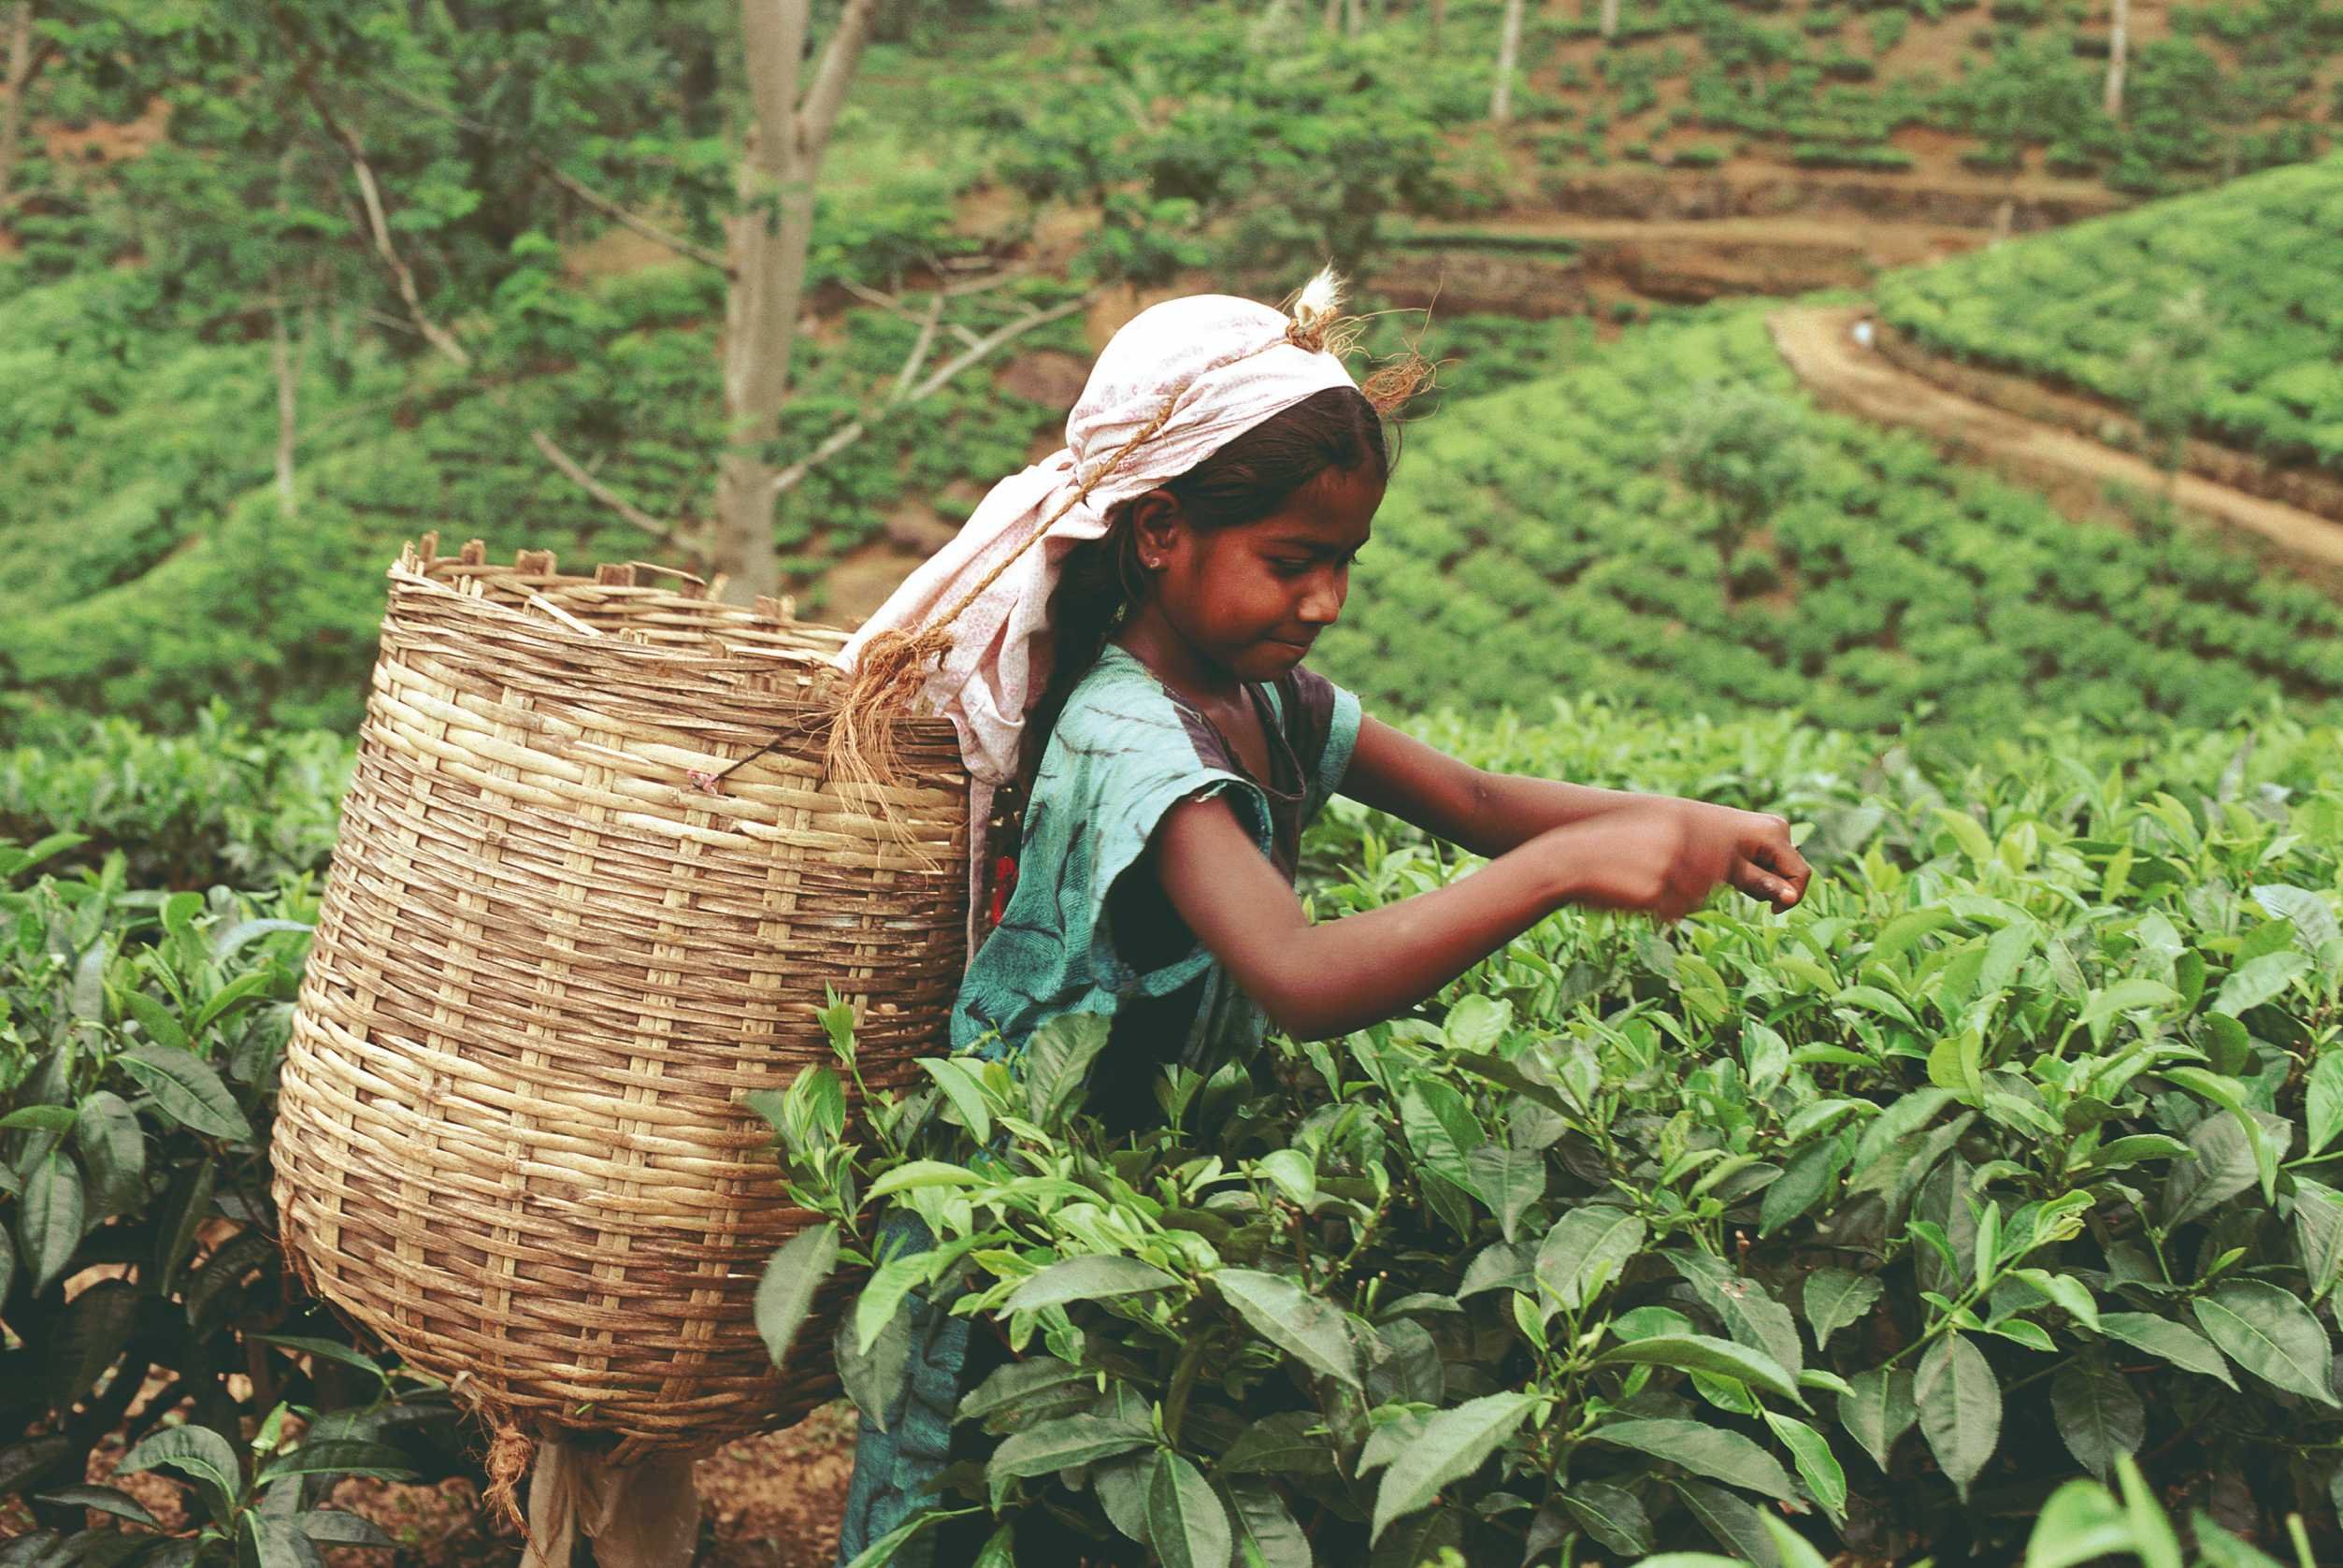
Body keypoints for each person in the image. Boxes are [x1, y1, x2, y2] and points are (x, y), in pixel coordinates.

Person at [823, 270, 1812, 1568]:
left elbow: (1467, 796)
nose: (1324, 598)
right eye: (1290, 561)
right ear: (1159, 530)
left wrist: (1683, 817)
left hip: (1135, 1201)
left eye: (1341, 561)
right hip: (1015, 1226)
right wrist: (1567, 871)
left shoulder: (1265, 699)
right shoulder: (1130, 734)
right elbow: (1295, 971)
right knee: (980, 1514)